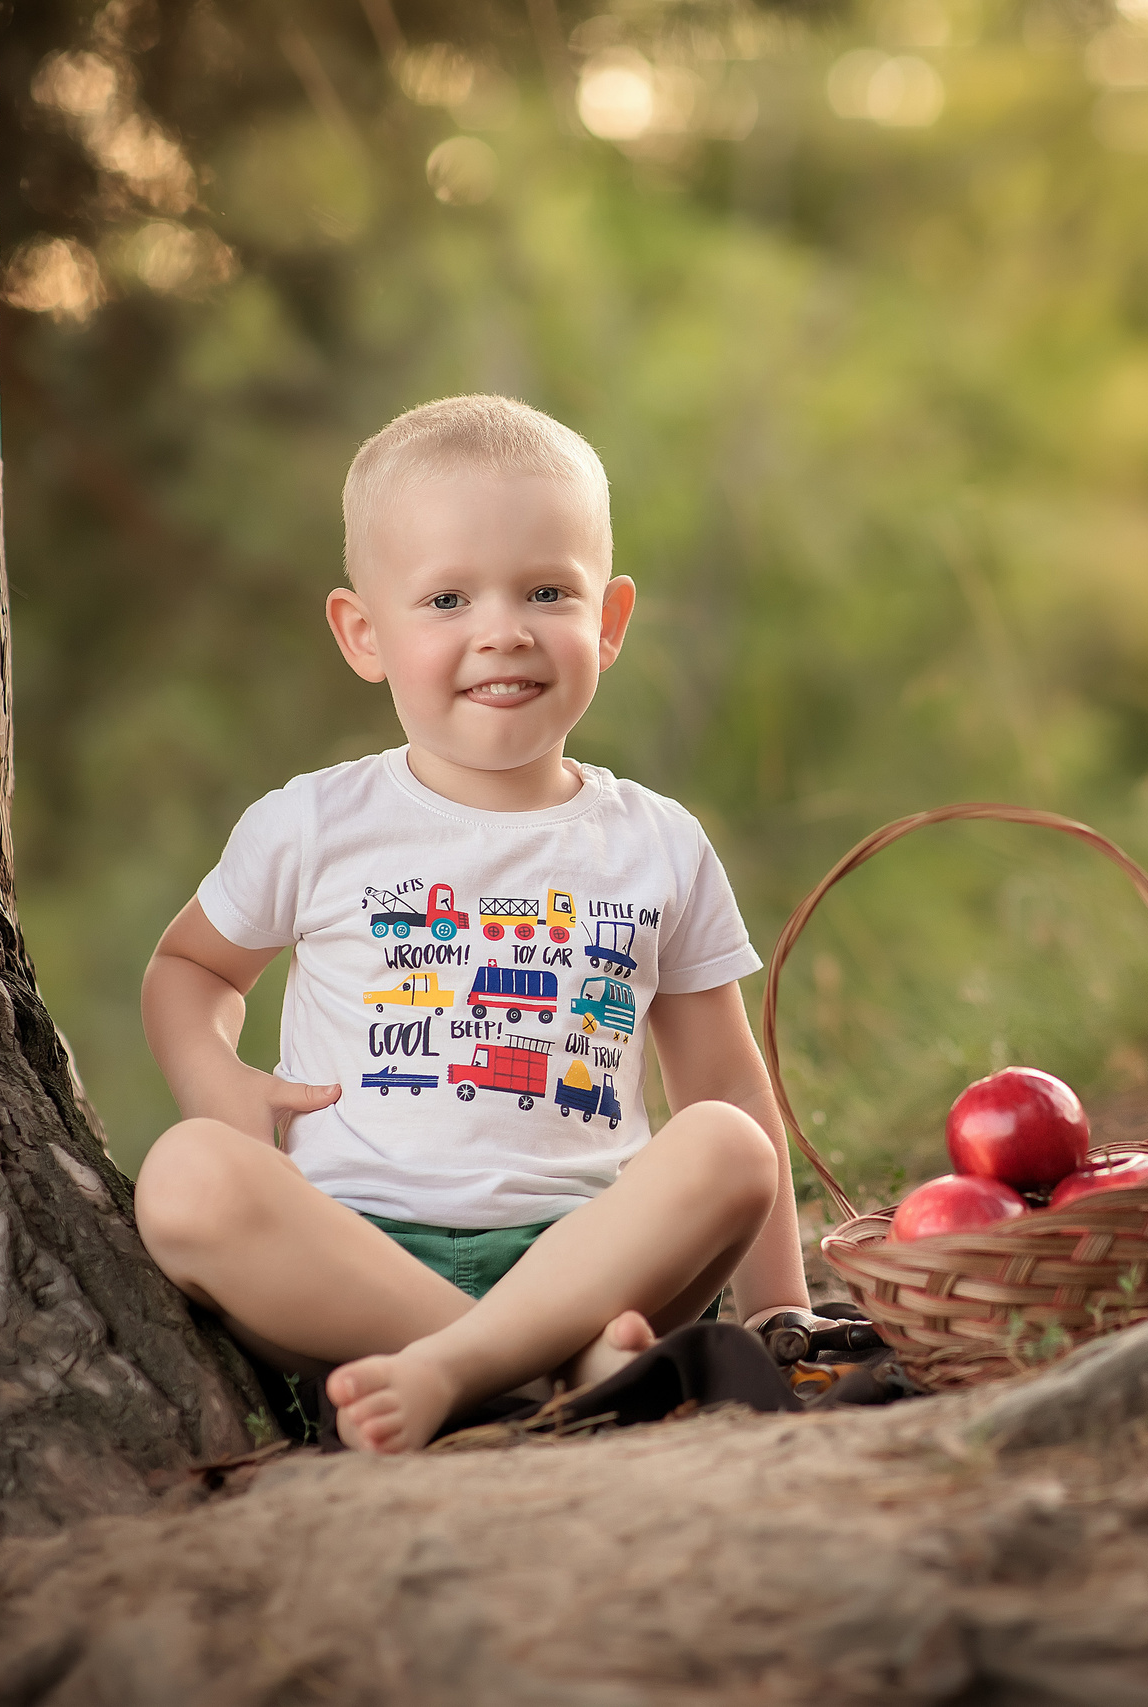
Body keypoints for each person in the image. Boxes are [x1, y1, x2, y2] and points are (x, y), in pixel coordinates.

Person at [131, 395, 810, 1454]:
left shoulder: (656, 843)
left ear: (610, 621)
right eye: (446, 598)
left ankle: (465, 1372)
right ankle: (550, 1373)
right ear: (364, 633)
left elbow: (721, 1083)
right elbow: (190, 967)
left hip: (594, 1253)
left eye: (547, 590)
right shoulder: (315, 822)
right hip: (357, 1259)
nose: (502, 629)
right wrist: (218, 1084)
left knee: (724, 1145)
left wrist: (780, 1314)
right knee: (183, 1175)